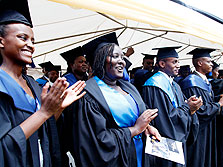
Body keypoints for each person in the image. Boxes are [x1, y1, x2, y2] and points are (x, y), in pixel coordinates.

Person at [0, 3, 86, 166]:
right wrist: (44, 112)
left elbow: (43, 127)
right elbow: (3, 147)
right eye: (22, 38)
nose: (31, 45)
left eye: (33, 40)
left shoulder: (31, 84)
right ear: (1, 41)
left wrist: (57, 108)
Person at [64, 32, 160, 167]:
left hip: (139, 155)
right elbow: (94, 143)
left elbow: (135, 117)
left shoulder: (128, 87)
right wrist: (135, 129)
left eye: (122, 57)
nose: (122, 61)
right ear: (100, 60)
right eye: (115, 56)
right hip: (118, 160)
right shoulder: (88, 95)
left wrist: (147, 127)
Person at [142, 46, 202, 167]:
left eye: (178, 62)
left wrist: (189, 106)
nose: (178, 65)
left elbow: (179, 109)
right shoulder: (155, 85)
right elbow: (165, 120)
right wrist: (187, 108)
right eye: (174, 62)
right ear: (162, 63)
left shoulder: (174, 85)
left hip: (175, 143)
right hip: (163, 144)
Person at [179, 48, 223, 167]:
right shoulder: (191, 82)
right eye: (208, 61)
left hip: (208, 129)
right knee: (198, 159)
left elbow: (206, 101)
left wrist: (219, 98)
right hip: (198, 131)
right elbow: (200, 111)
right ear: (199, 63)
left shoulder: (204, 81)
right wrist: (219, 104)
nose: (211, 64)